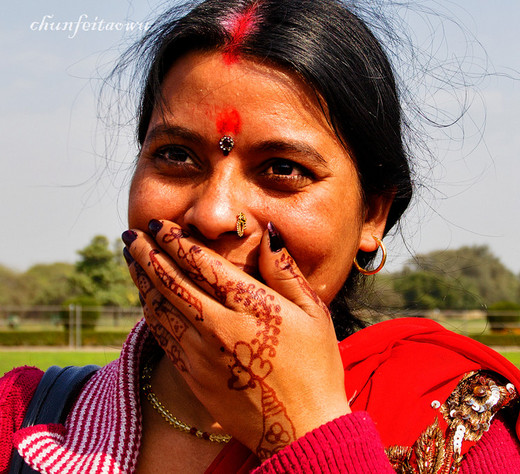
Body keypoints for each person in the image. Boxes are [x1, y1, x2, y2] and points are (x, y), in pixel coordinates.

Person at [2, 0, 520, 472]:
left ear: (373, 216)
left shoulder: (454, 435)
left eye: (283, 168)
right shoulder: (21, 416)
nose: (214, 215)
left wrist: (307, 437)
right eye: (177, 156)